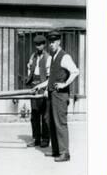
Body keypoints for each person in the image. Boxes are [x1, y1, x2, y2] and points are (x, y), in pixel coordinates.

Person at [32, 30, 80, 162]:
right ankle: (56, 150)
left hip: (60, 95)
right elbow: (51, 79)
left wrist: (64, 84)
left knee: (60, 123)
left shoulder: (64, 57)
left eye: (54, 42)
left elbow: (75, 71)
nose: (51, 44)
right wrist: (40, 86)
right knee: (51, 122)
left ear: (59, 42)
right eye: (50, 42)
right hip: (52, 94)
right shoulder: (53, 57)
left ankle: (65, 153)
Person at [25, 34, 51, 148]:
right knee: (34, 114)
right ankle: (36, 139)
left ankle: (45, 139)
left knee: (45, 115)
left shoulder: (48, 57)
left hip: (43, 86)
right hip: (33, 86)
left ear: (44, 45)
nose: (38, 46)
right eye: (36, 44)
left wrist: (45, 89)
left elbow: (50, 76)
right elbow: (30, 68)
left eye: (40, 44)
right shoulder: (33, 56)